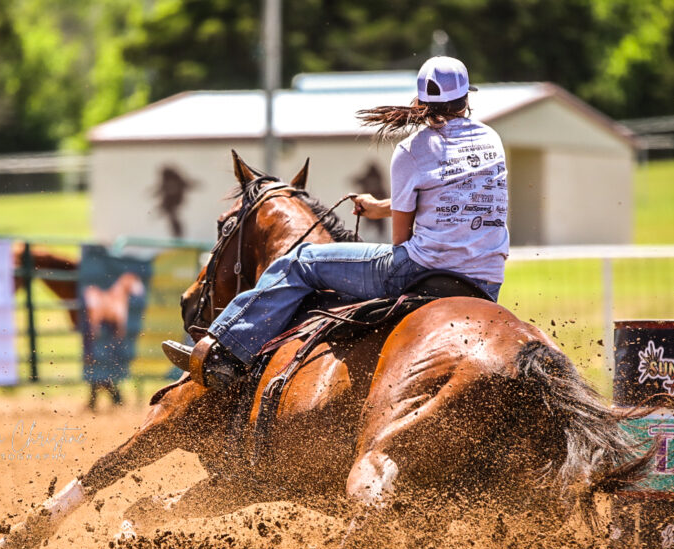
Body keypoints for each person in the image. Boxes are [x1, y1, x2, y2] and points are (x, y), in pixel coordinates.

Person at [163, 56, 510, 388]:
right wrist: (380, 207)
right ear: (466, 99)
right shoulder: (491, 140)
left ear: (420, 101)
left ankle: (224, 350)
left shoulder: (412, 150)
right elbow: (455, 198)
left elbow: (401, 242)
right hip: (487, 280)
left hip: (421, 270)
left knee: (299, 262)